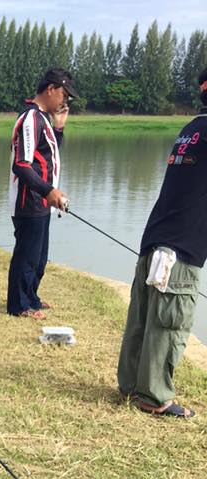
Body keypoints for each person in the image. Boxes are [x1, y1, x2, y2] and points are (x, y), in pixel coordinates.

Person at [116, 68, 207, 419]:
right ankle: (154, 397)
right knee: (169, 323)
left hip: (156, 236)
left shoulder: (191, 130)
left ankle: (131, 384)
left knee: (144, 316)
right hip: (183, 245)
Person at [6, 67, 78, 319]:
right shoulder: (30, 119)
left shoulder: (43, 120)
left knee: (39, 256)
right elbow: (22, 165)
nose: (65, 100)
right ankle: (19, 305)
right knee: (27, 255)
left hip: (42, 202)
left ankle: (32, 298)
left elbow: (47, 157)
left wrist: (58, 128)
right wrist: (49, 191)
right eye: (64, 94)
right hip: (28, 201)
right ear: (51, 89)